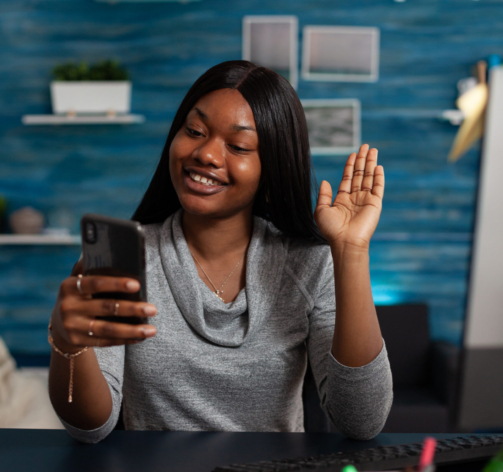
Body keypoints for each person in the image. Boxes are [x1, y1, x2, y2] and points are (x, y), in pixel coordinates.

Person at [48, 60, 393, 443]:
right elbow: (90, 428)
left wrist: (350, 251)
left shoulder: (307, 263)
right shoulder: (124, 256)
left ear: (272, 167)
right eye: (194, 130)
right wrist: (68, 343)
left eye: (238, 145)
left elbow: (362, 420)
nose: (207, 154)